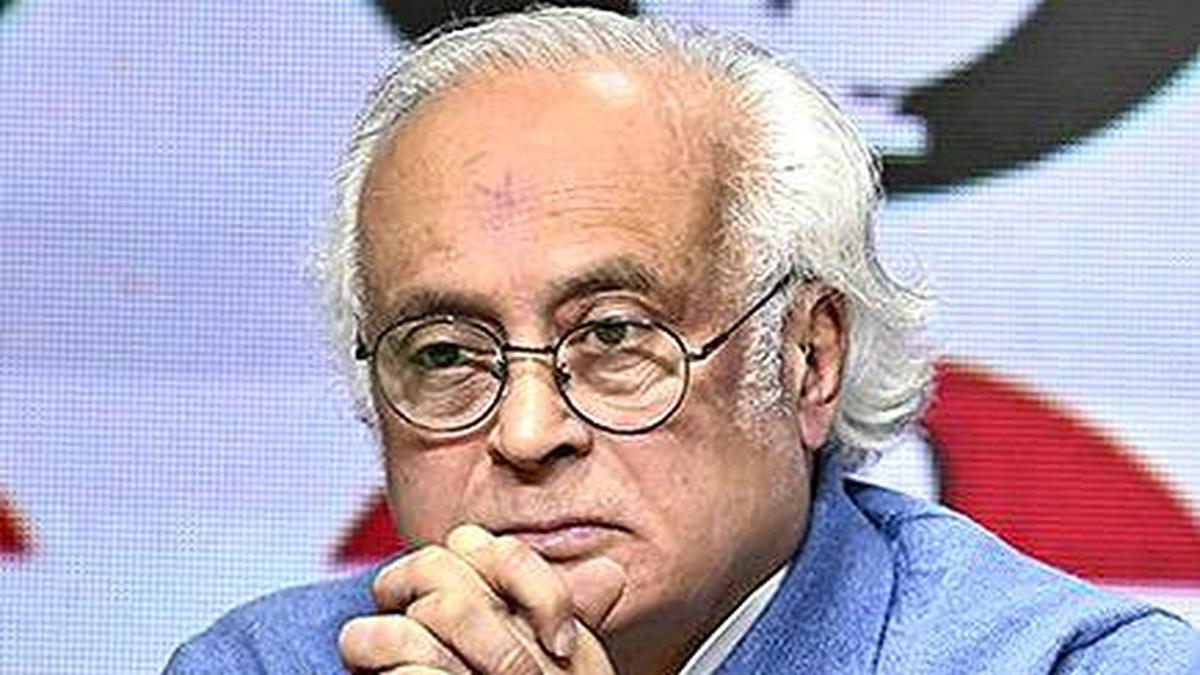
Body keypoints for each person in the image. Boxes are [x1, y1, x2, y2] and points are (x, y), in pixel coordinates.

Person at [165, 7, 1198, 674]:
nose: (526, 433)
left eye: (614, 336)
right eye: (444, 353)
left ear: (807, 359)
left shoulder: (1072, 666)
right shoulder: (267, 664)